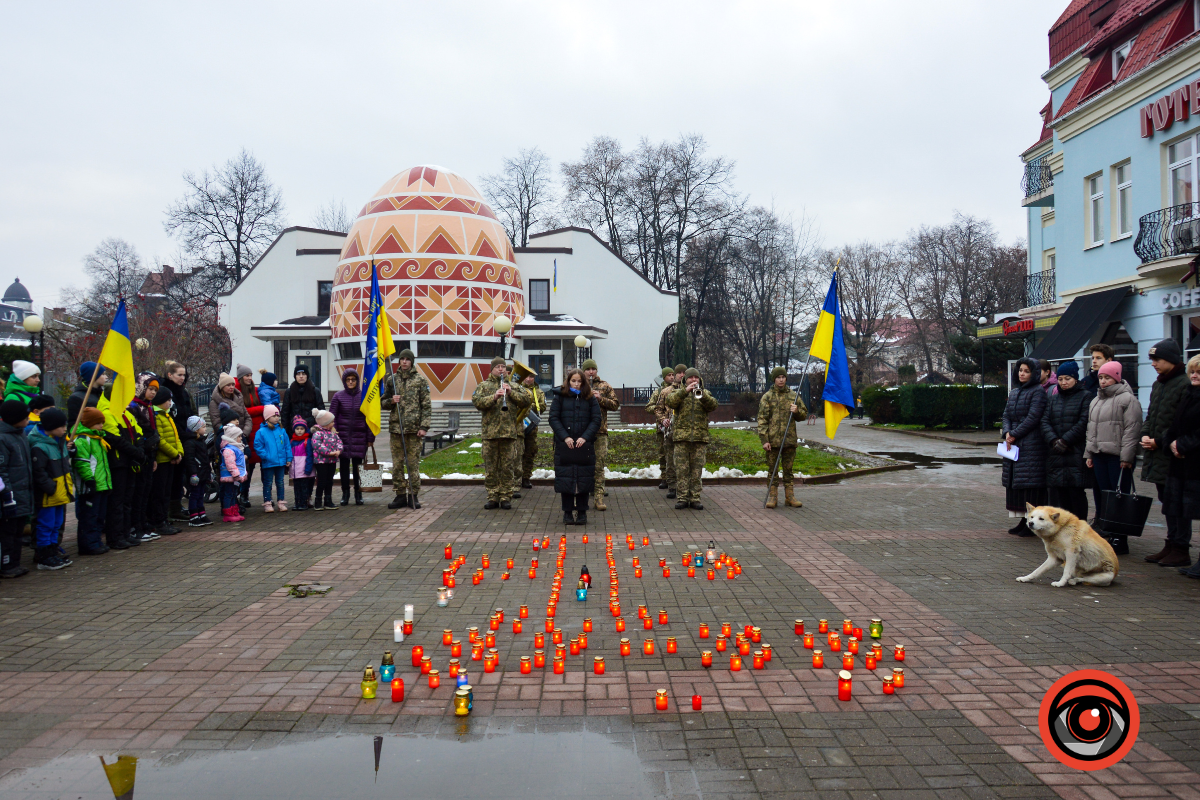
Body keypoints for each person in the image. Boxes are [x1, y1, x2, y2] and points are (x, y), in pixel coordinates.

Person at [1140, 339, 1192, 567]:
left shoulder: (1184, 384)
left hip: (1174, 453)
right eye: (1152, 360)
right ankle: (1171, 544)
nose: (1153, 364)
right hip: (1157, 453)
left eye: (1157, 359)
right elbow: (1151, 415)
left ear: (1171, 359)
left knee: (1179, 502)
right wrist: (1144, 434)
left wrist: (1160, 442)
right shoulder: (1158, 384)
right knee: (1167, 501)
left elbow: (1183, 422)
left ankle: (1181, 547)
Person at [1085, 359, 1141, 555]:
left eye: (1107, 377)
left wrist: (1127, 457)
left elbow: (1132, 430)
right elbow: (1091, 430)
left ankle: (1120, 538)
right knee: (1103, 496)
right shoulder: (1096, 400)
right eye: (1100, 377)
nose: (1103, 381)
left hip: (1117, 458)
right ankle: (1106, 533)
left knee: (1118, 498)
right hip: (1099, 455)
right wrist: (1089, 453)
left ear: (1116, 377)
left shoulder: (1128, 400)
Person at [471, 357, 530, 509]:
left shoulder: (514, 386)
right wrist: (494, 397)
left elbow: (526, 401)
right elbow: (477, 401)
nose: (501, 369)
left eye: (503, 366)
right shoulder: (483, 386)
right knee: (491, 467)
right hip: (490, 434)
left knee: (507, 467)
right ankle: (492, 496)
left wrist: (510, 393)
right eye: (497, 367)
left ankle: (505, 496)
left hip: (509, 434)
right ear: (492, 369)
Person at [1160, 355, 1200, 577]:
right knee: (1185, 510)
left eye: (1199, 373)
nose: (1194, 375)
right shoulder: (1189, 394)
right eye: (1192, 371)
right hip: (1182, 464)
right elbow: (1174, 424)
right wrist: (1171, 443)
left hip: (1195, 464)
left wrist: (1183, 444)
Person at [1040, 360, 1092, 522]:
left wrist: (1066, 440)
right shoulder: (1053, 399)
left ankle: (1079, 527)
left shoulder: (1085, 396)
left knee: (1075, 493)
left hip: (1074, 451)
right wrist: (1054, 440)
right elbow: (1044, 421)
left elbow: (1084, 422)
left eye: (1067, 379)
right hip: (1056, 453)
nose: (1063, 382)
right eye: (1061, 379)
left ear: (1075, 379)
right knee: (1059, 494)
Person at [1001, 357, 1047, 536]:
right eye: (1020, 370)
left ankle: (1031, 523)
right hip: (1013, 444)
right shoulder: (1014, 392)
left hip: (1031, 445)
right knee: (1016, 486)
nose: (1022, 373)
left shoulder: (1038, 392)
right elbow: (1006, 415)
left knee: (1029, 486)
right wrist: (1007, 432)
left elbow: (1033, 417)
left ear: (1034, 373)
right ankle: (1022, 521)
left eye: (1026, 371)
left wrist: (1014, 433)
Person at [549, 368, 601, 525]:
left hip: (584, 445)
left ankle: (582, 512)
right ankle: (567, 512)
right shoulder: (560, 397)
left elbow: (596, 419)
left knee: (584, 479)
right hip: (565, 445)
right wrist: (565, 437)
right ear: (568, 381)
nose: (577, 384)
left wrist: (585, 437)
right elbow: (553, 418)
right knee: (566, 478)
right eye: (573, 381)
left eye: (579, 381)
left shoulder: (589, 398)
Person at [381, 350, 431, 509]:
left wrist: (424, 426)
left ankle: (413, 495)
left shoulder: (420, 380)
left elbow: (426, 406)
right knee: (397, 464)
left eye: (407, 360)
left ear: (412, 362)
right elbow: (382, 403)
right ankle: (400, 494)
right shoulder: (392, 380)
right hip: (397, 429)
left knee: (412, 464)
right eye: (402, 359)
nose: (404, 362)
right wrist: (391, 401)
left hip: (414, 430)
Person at [665, 368, 718, 510]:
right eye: (691, 378)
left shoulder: (705, 393)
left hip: (699, 438)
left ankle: (695, 498)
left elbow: (713, 405)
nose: (694, 380)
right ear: (685, 380)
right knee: (682, 470)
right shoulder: (678, 393)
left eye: (696, 377)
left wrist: (702, 396)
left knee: (696, 471)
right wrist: (685, 391)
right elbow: (670, 402)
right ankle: (682, 498)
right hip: (682, 438)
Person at [29, 407, 72, 570]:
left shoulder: (59, 442)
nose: (64, 429)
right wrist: (51, 488)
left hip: (60, 491)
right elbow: (39, 472)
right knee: (46, 524)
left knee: (56, 523)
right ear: (51, 427)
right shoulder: (39, 446)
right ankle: (44, 556)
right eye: (62, 426)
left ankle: (53, 551)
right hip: (49, 494)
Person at [758, 366, 807, 509]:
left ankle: (789, 496)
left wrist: (797, 411)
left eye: (783, 377)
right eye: (778, 377)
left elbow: (804, 414)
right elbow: (762, 420)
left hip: (789, 440)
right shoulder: (767, 397)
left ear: (786, 378)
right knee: (772, 470)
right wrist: (764, 440)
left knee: (788, 470)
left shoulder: (793, 395)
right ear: (774, 379)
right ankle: (773, 496)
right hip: (772, 441)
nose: (781, 380)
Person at [330, 368, 374, 506]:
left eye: (353, 380)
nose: (350, 382)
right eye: (348, 380)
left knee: (357, 466)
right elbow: (332, 417)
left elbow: (370, 418)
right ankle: (345, 493)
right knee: (343, 466)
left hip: (359, 436)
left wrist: (370, 438)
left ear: (357, 381)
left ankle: (358, 493)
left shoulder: (365, 396)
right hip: (342, 436)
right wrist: (334, 433)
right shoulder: (338, 396)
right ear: (344, 381)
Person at [1082, 344, 1116, 520]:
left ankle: (1109, 521)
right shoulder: (1087, 381)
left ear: (1109, 360)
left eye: (1098, 358)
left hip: (1110, 445)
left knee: (1109, 487)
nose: (1094, 361)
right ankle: (1099, 517)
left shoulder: (1116, 387)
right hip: (1092, 442)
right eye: (1093, 358)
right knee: (1096, 485)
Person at [73, 407, 112, 555]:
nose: (101, 426)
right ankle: (87, 544)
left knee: (98, 516)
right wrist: (89, 479)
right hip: (91, 486)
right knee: (89, 517)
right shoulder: (83, 440)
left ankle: (96, 541)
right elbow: (83, 462)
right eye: (98, 423)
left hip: (101, 484)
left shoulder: (98, 439)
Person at [582, 359, 620, 511]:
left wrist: (601, 399)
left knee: (599, 466)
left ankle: (598, 498)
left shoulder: (605, 386)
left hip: (600, 431)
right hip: (582, 433)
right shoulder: (577, 384)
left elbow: (615, 404)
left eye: (593, 369)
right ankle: (583, 497)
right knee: (583, 466)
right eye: (588, 369)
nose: (591, 372)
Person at [0, 399, 32, 577]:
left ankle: (15, 562)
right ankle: (7, 564)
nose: (28, 420)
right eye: (24, 417)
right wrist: (7, 496)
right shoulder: (3, 438)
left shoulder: (20, 435)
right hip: (10, 494)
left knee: (18, 531)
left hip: (22, 492)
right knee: (8, 533)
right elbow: (2, 470)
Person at [129, 373, 162, 541]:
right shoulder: (133, 407)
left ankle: (143, 523)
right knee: (138, 492)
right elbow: (136, 433)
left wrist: (154, 455)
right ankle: (136, 526)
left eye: (155, 390)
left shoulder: (148, 407)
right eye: (150, 389)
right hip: (140, 453)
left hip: (150, 453)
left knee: (146, 491)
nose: (153, 393)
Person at [148, 389, 182, 536]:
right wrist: (174, 453)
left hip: (170, 460)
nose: (170, 402)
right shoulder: (156, 416)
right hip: (162, 460)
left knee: (166, 492)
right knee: (159, 493)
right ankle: (158, 521)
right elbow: (160, 440)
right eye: (167, 400)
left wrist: (179, 452)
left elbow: (176, 437)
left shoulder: (166, 415)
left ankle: (164, 519)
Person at [656, 365, 687, 497]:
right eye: (679, 373)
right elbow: (658, 409)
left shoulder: (693, 391)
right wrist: (663, 420)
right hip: (671, 431)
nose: (681, 375)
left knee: (684, 460)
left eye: (684, 373)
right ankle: (672, 486)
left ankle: (685, 486)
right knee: (670, 459)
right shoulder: (666, 391)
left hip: (685, 430)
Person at [237, 365, 265, 508]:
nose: (249, 378)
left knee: (261, 464)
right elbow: (242, 411)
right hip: (246, 432)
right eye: (246, 376)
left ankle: (265, 496)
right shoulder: (237, 392)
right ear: (241, 378)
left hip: (259, 432)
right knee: (248, 465)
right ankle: (244, 494)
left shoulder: (256, 391)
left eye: (250, 375)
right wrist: (261, 409)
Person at [254, 404, 291, 512]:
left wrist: (288, 458)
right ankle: (268, 502)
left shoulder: (281, 430)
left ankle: (281, 501)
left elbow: (287, 445)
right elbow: (258, 446)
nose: (277, 418)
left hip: (280, 462)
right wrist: (266, 456)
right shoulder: (261, 432)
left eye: (277, 416)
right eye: (274, 416)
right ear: (267, 417)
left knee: (280, 482)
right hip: (269, 462)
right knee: (268, 483)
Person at [517, 367, 547, 490]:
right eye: (527, 376)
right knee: (517, 453)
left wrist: (530, 404)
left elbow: (543, 407)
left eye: (531, 377)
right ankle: (516, 479)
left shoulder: (538, 392)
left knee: (530, 452)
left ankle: (526, 478)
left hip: (531, 428)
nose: (529, 379)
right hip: (517, 425)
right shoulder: (517, 389)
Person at [646, 368, 674, 490]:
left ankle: (674, 478)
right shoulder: (659, 392)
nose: (672, 377)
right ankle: (664, 478)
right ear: (664, 377)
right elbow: (649, 406)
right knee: (663, 454)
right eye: (669, 375)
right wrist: (660, 412)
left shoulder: (678, 389)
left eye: (673, 375)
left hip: (675, 427)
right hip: (662, 428)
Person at [182, 416, 213, 526]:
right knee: (195, 494)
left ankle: (201, 513)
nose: (205, 429)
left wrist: (208, 472)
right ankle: (194, 516)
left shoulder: (201, 441)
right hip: (196, 473)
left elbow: (205, 458)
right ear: (196, 429)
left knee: (200, 494)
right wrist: (193, 473)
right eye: (203, 427)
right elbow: (190, 460)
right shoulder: (190, 443)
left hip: (203, 472)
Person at [310, 408, 342, 510]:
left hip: (332, 461)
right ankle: (318, 500)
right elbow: (317, 446)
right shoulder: (318, 433)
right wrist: (329, 453)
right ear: (325, 423)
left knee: (329, 481)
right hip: (321, 461)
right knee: (322, 481)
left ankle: (328, 500)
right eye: (331, 422)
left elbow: (339, 443)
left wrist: (338, 451)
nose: (333, 423)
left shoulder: (333, 433)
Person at [218, 423, 247, 523]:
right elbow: (230, 464)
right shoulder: (229, 450)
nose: (240, 438)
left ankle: (234, 511)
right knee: (229, 494)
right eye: (238, 436)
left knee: (233, 494)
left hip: (235, 477)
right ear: (233, 437)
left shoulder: (236, 448)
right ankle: (228, 513)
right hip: (230, 477)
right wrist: (236, 474)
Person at [281, 364, 324, 431]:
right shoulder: (289, 391)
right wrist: (285, 430)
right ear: (295, 376)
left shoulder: (315, 391)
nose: (301, 376)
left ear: (307, 375)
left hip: (311, 429)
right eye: (298, 374)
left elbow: (321, 411)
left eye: (303, 374)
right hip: (294, 429)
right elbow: (285, 413)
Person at [289, 416, 315, 511]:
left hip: (304, 470)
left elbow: (310, 456)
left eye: (302, 429)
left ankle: (304, 502)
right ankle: (297, 502)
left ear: (305, 429)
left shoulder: (307, 441)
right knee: (297, 487)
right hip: (295, 470)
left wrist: (308, 468)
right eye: (297, 429)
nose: (299, 431)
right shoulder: (292, 441)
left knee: (304, 487)